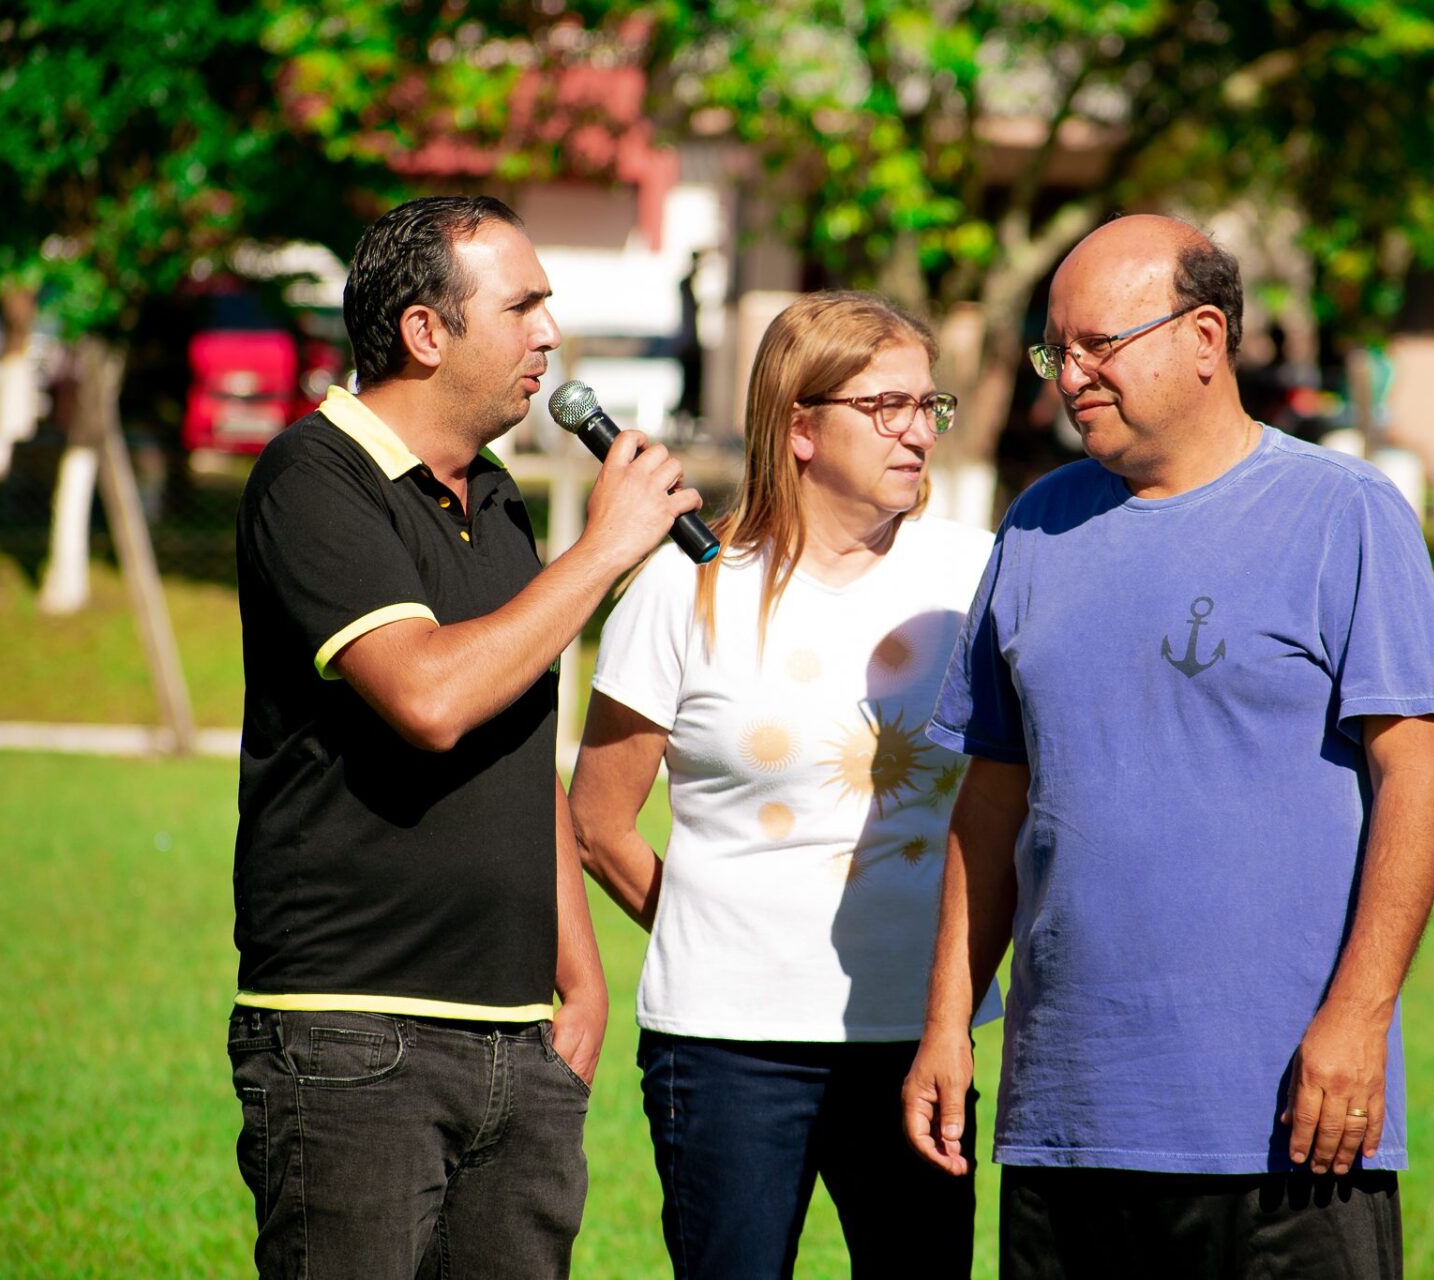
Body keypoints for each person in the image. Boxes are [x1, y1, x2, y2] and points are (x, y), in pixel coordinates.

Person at [904, 216, 1434, 1280]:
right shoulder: (1034, 526)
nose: (1069, 375)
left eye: (1098, 344)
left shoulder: (1347, 516)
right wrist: (946, 1026)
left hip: (1292, 1122)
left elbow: (1422, 779)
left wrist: (1358, 1014)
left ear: (1207, 335)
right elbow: (989, 805)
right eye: (1054, 350)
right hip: (1066, 1121)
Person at [227, 195, 702, 1280]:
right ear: (425, 331)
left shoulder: (492, 495)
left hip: (518, 1039)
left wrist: (578, 979)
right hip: (354, 1032)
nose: (550, 333)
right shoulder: (312, 475)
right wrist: (605, 549)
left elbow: (515, 729)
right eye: (524, 303)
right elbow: (430, 698)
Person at [570, 290, 1002, 1279]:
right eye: (884, 406)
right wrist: (722, 933)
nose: (916, 432)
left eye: (926, 405)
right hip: (725, 1049)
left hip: (920, 1040)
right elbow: (597, 824)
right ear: (799, 427)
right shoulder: (683, 589)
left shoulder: (978, 577)